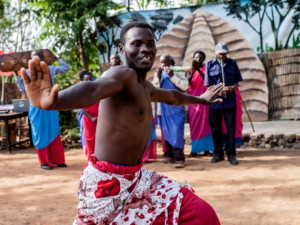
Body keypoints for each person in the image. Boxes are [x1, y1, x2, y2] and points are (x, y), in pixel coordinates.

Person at [21, 21, 224, 224]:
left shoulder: (144, 86)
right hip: (107, 183)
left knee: (199, 214)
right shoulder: (122, 75)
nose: (145, 49)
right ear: (121, 49)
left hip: (137, 179)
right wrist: (55, 101)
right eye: (136, 43)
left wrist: (201, 100)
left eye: (149, 43)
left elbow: (173, 96)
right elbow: (92, 89)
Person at [16, 50, 69, 170]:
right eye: (34, 57)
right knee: (39, 132)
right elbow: (24, 90)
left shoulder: (50, 68)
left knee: (53, 131)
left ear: (42, 58)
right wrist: (16, 75)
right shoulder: (27, 72)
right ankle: (44, 162)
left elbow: (66, 68)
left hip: (50, 102)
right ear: (30, 59)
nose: (36, 60)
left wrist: (57, 58)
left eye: (38, 57)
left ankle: (58, 160)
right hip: (35, 105)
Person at [204, 42, 243, 165]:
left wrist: (231, 88)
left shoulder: (232, 63)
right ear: (215, 53)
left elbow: (237, 82)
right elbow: (207, 85)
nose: (221, 56)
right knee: (215, 128)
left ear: (227, 53)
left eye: (224, 54)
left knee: (230, 128)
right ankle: (217, 153)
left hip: (230, 102)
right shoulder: (209, 65)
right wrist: (217, 91)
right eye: (219, 54)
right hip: (215, 102)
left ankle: (231, 154)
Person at [152, 54, 189, 168]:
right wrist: (158, 77)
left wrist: (172, 75)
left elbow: (185, 86)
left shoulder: (178, 72)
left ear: (171, 63)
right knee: (166, 131)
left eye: (166, 63)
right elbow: (154, 89)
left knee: (177, 131)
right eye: (162, 63)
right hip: (163, 108)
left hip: (176, 107)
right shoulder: (158, 73)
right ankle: (169, 155)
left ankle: (179, 158)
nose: (164, 65)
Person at [187, 50, 215, 157]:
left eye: (200, 58)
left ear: (204, 59)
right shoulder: (189, 70)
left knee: (206, 125)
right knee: (194, 125)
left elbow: (207, 81)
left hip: (205, 99)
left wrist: (198, 70)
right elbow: (187, 83)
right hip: (193, 100)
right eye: (196, 57)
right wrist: (193, 71)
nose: (198, 59)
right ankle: (195, 149)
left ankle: (207, 149)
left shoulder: (207, 69)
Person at [77, 70, 100, 157]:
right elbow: (82, 108)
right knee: (90, 138)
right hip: (89, 119)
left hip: (99, 118)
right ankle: (91, 159)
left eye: (90, 79)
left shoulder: (97, 90)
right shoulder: (81, 92)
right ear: (82, 80)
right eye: (87, 79)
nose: (89, 81)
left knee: (99, 138)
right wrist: (91, 118)